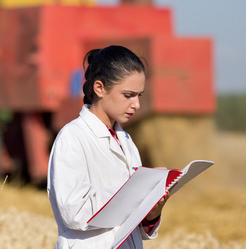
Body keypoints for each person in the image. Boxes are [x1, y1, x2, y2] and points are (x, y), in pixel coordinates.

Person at [47, 45, 169, 249]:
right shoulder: (72, 137)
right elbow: (74, 213)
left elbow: (132, 226)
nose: (136, 104)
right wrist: (133, 188)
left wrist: (152, 211)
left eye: (139, 95)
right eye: (128, 95)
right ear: (99, 88)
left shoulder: (127, 141)